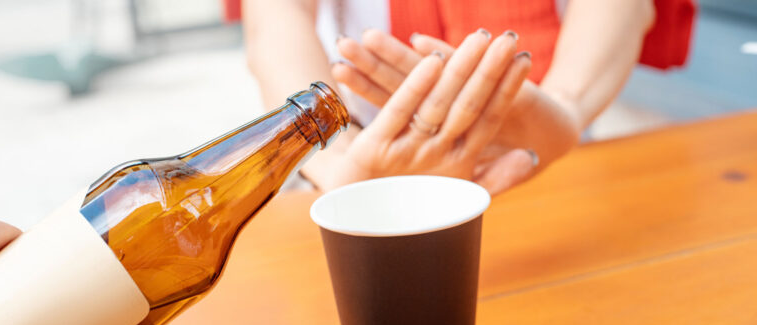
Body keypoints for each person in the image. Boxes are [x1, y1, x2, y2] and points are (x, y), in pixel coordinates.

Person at [240, 0, 695, 194]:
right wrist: (334, 160)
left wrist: (569, 106)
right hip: (355, 150)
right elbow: (276, 15)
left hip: (543, 140)